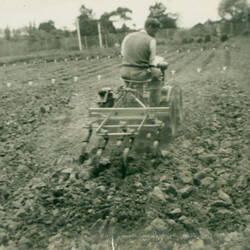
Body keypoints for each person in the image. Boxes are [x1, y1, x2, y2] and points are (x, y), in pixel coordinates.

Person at [120, 18, 167, 106]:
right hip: (139, 75)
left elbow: (123, 54)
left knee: (132, 83)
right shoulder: (151, 40)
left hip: (124, 72)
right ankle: (154, 106)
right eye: (155, 31)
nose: (155, 34)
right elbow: (152, 62)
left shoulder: (128, 37)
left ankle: (132, 101)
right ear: (149, 27)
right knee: (157, 75)